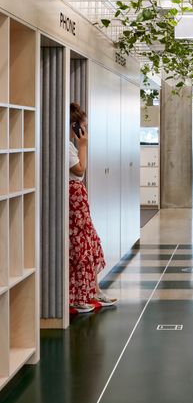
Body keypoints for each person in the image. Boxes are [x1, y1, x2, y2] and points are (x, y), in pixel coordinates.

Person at [69, 102, 117, 313]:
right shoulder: (67, 146)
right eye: (83, 125)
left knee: (90, 243)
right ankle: (81, 295)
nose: (85, 130)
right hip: (73, 198)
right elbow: (79, 170)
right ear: (75, 126)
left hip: (78, 197)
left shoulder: (69, 145)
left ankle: (92, 290)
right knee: (81, 246)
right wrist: (84, 146)